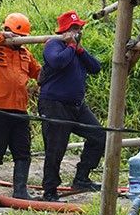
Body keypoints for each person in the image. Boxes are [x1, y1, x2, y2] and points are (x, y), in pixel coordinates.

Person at [38, 11, 107, 203]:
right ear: (65, 31)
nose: (78, 32)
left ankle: (82, 178)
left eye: (79, 28)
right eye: (74, 29)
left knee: (99, 135)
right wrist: (70, 46)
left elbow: (96, 68)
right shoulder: (53, 44)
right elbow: (58, 62)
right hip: (54, 104)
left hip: (77, 106)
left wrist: (80, 50)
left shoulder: (76, 49)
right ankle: (50, 190)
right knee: (55, 147)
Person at [0, 13, 42, 200]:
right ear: (7, 31)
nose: (20, 41)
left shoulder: (25, 54)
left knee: (23, 152)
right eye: (17, 36)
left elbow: (39, 73)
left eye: (23, 38)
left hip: (19, 110)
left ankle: (20, 190)